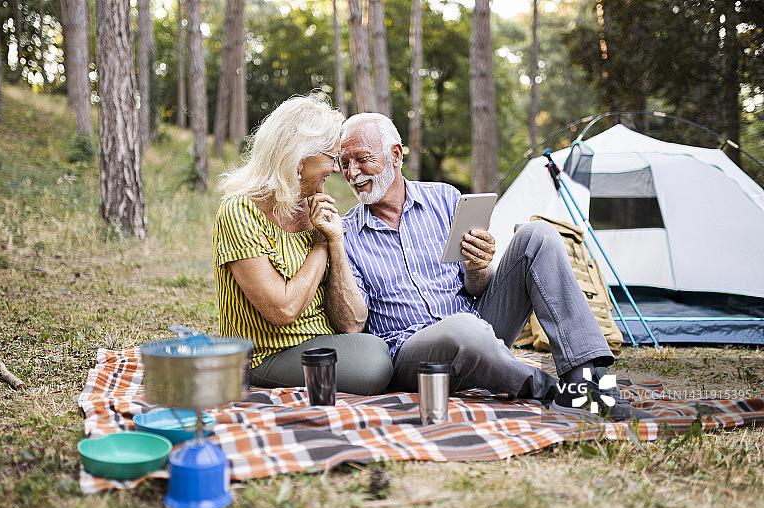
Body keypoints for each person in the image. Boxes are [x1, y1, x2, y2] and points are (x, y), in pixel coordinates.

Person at [338, 112, 649, 421]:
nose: (352, 172)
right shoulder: (346, 234)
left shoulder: (445, 199)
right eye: (344, 164)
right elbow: (353, 322)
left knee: (537, 235)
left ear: (395, 155)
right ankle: (552, 391)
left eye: (362, 159)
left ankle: (586, 378)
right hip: (414, 356)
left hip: (480, 328)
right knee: (462, 328)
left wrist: (477, 266)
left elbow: (477, 286)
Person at [213, 95, 393, 396]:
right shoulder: (239, 211)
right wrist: (321, 245)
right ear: (299, 158)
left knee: (379, 348)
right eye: (332, 157)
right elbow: (282, 309)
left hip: (324, 342)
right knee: (374, 362)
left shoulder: (313, 209)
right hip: (265, 354)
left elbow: (351, 320)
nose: (337, 168)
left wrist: (335, 240)